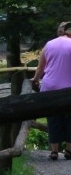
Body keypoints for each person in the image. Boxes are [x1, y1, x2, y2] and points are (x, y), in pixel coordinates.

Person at [33, 21, 71, 160]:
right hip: (68, 88)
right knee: (70, 119)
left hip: (50, 88)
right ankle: (69, 150)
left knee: (53, 119)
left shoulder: (49, 44)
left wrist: (35, 79)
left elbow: (40, 68)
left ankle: (54, 151)